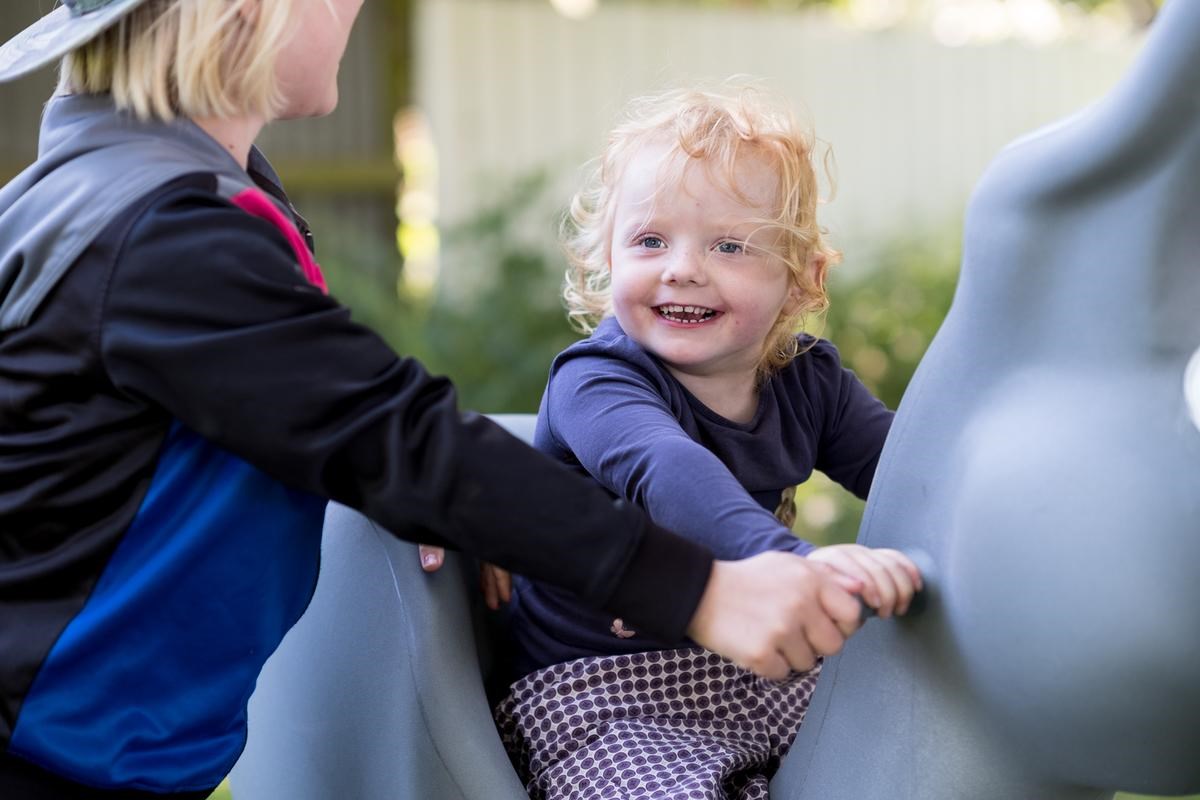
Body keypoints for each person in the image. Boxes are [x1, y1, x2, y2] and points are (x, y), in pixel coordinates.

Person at [0, 3, 872, 798]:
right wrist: (700, 589)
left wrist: (488, 507)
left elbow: (336, 419)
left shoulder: (140, 190)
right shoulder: (161, 229)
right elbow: (389, 436)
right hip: (45, 757)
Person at [483, 84, 922, 800]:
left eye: (729, 245)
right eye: (650, 241)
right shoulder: (596, 382)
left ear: (801, 280)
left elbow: (913, 475)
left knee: (915, 749)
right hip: (604, 694)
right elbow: (667, 470)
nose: (682, 268)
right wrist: (790, 564)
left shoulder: (810, 382)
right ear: (607, 256)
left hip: (764, 671)